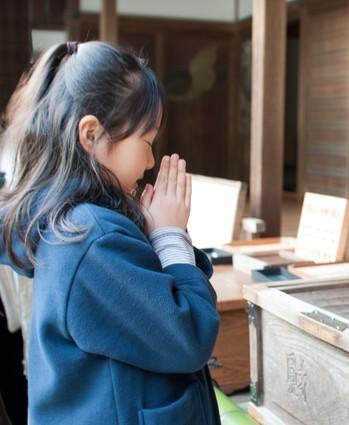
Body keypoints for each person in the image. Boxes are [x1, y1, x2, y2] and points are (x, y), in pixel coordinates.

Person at [0, 41, 221, 425]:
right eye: (146, 142)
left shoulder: (76, 222)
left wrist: (155, 230)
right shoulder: (91, 238)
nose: (151, 161)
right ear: (91, 135)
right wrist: (169, 236)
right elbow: (189, 336)